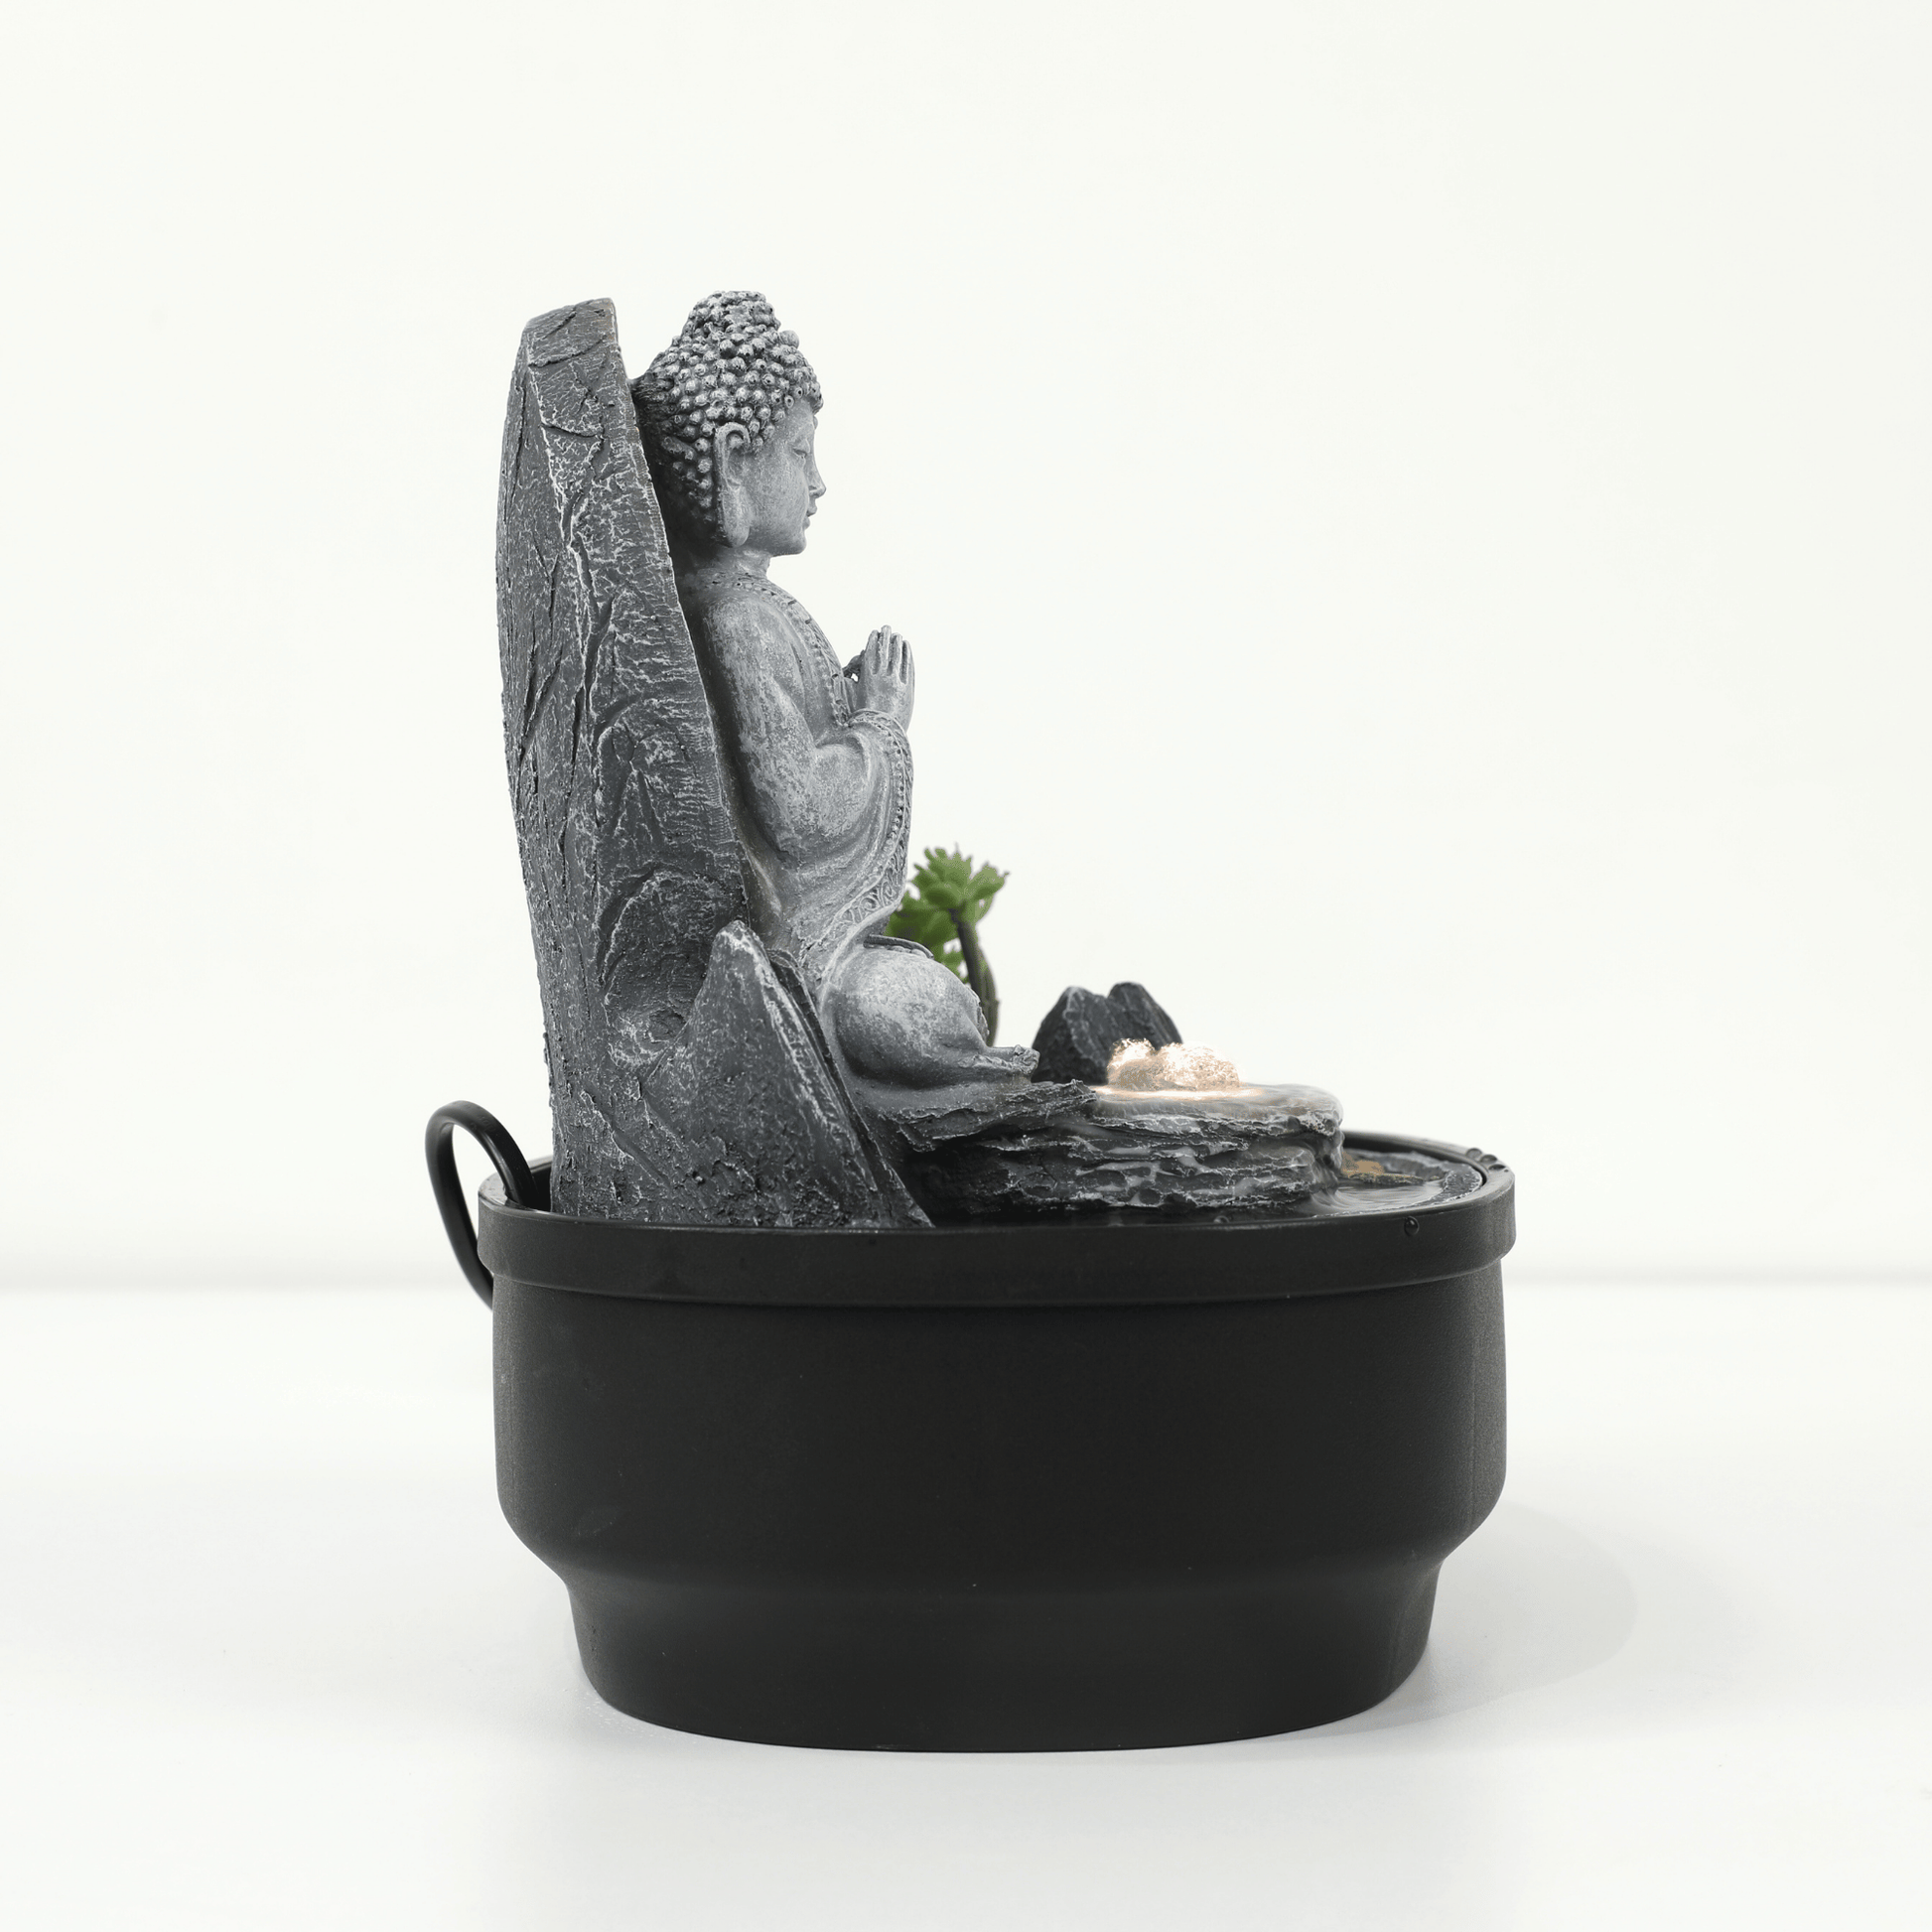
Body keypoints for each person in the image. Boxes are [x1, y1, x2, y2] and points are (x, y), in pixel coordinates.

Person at [632, 293, 1032, 1092]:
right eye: (799, 453)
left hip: (805, 943)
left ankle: (963, 1068)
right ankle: (961, 1076)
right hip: (800, 952)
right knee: (899, 1005)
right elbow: (800, 812)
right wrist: (880, 723)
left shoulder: (738, 610)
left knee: (914, 997)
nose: (819, 483)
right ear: (733, 459)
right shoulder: (740, 621)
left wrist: (839, 712)